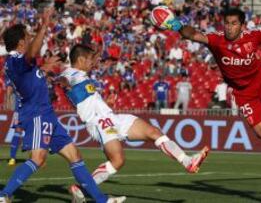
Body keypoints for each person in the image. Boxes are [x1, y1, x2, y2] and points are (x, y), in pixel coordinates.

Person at [0, 9, 124, 203]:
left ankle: (101, 200)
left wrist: (41, 70)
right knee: (38, 158)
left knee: (75, 155)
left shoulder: (18, 65)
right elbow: (31, 53)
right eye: (28, 37)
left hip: (47, 114)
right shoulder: (16, 59)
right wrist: (45, 23)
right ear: (21, 42)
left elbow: (28, 79)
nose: (32, 39)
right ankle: (3, 195)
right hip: (37, 114)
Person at [161, 7, 261, 166]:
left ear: (242, 25)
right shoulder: (216, 39)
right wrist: (178, 26)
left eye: (234, 23)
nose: (229, 27)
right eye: (226, 23)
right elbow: (192, 34)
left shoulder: (252, 36)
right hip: (242, 93)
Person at [58, 44, 209, 202]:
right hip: (99, 122)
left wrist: (106, 103)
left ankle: (188, 162)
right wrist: (60, 81)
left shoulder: (83, 76)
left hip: (112, 117)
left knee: (154, 132)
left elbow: (89, 100)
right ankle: (81, 188)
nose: (92, 63)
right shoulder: (71, 74)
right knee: (118, 160)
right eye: (89, 59)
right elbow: (64, 80)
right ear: (80, 59)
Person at [5, 77, 23, 166]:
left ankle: (35, 156)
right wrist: (8, 100)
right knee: (17, 131)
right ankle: (12, 157)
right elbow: (9, 89)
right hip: (19, 110)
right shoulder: (14, 77)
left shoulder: (31, 77)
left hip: (31, 109)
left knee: (33, 131)